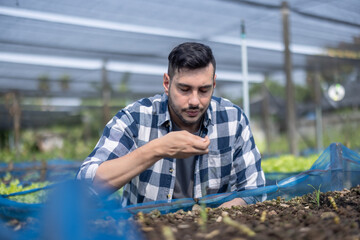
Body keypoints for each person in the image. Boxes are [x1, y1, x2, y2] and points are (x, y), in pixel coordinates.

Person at [77, 42, 265, 208]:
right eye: (184, 89)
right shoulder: (136, 118)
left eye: (204, 90)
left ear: (214, 84)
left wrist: (219, 214)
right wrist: (157, 149)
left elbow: (254, 190)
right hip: (145, 231)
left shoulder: (233, 119)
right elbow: (85, 184)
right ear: (167, 83)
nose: (194, 101)